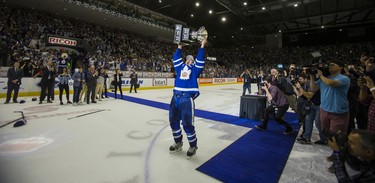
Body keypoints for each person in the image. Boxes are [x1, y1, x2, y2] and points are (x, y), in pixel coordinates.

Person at [168, 38, 207, 159]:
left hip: (186, 99)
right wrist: (179, 47)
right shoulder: (179, 68)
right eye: (187, 59)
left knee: (187, 124)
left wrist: (202, 45)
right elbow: (175, 59)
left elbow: (200, 59)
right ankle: (178, 142)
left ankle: (193, 146)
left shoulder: (195, 70)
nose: (189, 60)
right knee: (173, 122)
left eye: (191, 59)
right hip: (175, 98)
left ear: (193, 62)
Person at [312, 60, 350, 172]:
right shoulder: (325, 77)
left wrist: (321, 75)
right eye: (329, 64)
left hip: (338, 112)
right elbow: (314, 88)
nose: (330, 66)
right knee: (328, 135)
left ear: (341, 67)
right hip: (324, 110)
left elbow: (331, 83)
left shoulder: (344, 78)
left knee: (338, 139)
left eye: (333, 64)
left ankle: (339, 162)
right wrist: (312, 77)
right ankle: (335, 154)